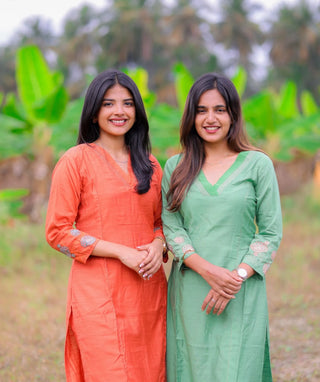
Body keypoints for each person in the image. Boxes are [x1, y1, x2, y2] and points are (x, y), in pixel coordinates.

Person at [45, 69, 167, 382]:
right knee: (110, 370)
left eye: (127, 104)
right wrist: (120, 253)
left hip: (148, 289)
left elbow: (161, 221)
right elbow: (58, 232)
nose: (119, 112)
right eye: (109, 104)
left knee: (151, 369)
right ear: (94, 110)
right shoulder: (75, 161)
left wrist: (158, 244)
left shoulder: (150, 164)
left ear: (137, 111)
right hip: (98, 291)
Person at [161, 72, 282, 382]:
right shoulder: (176, 167)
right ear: (191, 116)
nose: (210, 118)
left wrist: (234, 279)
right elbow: (172, 227)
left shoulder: (257, 164)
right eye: (201, 110)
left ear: (233, 115)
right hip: (191, 289)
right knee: (191, 367)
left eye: (219, 109)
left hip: (241, 290)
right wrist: (207, 270)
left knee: (239, 368)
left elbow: (270, 233)